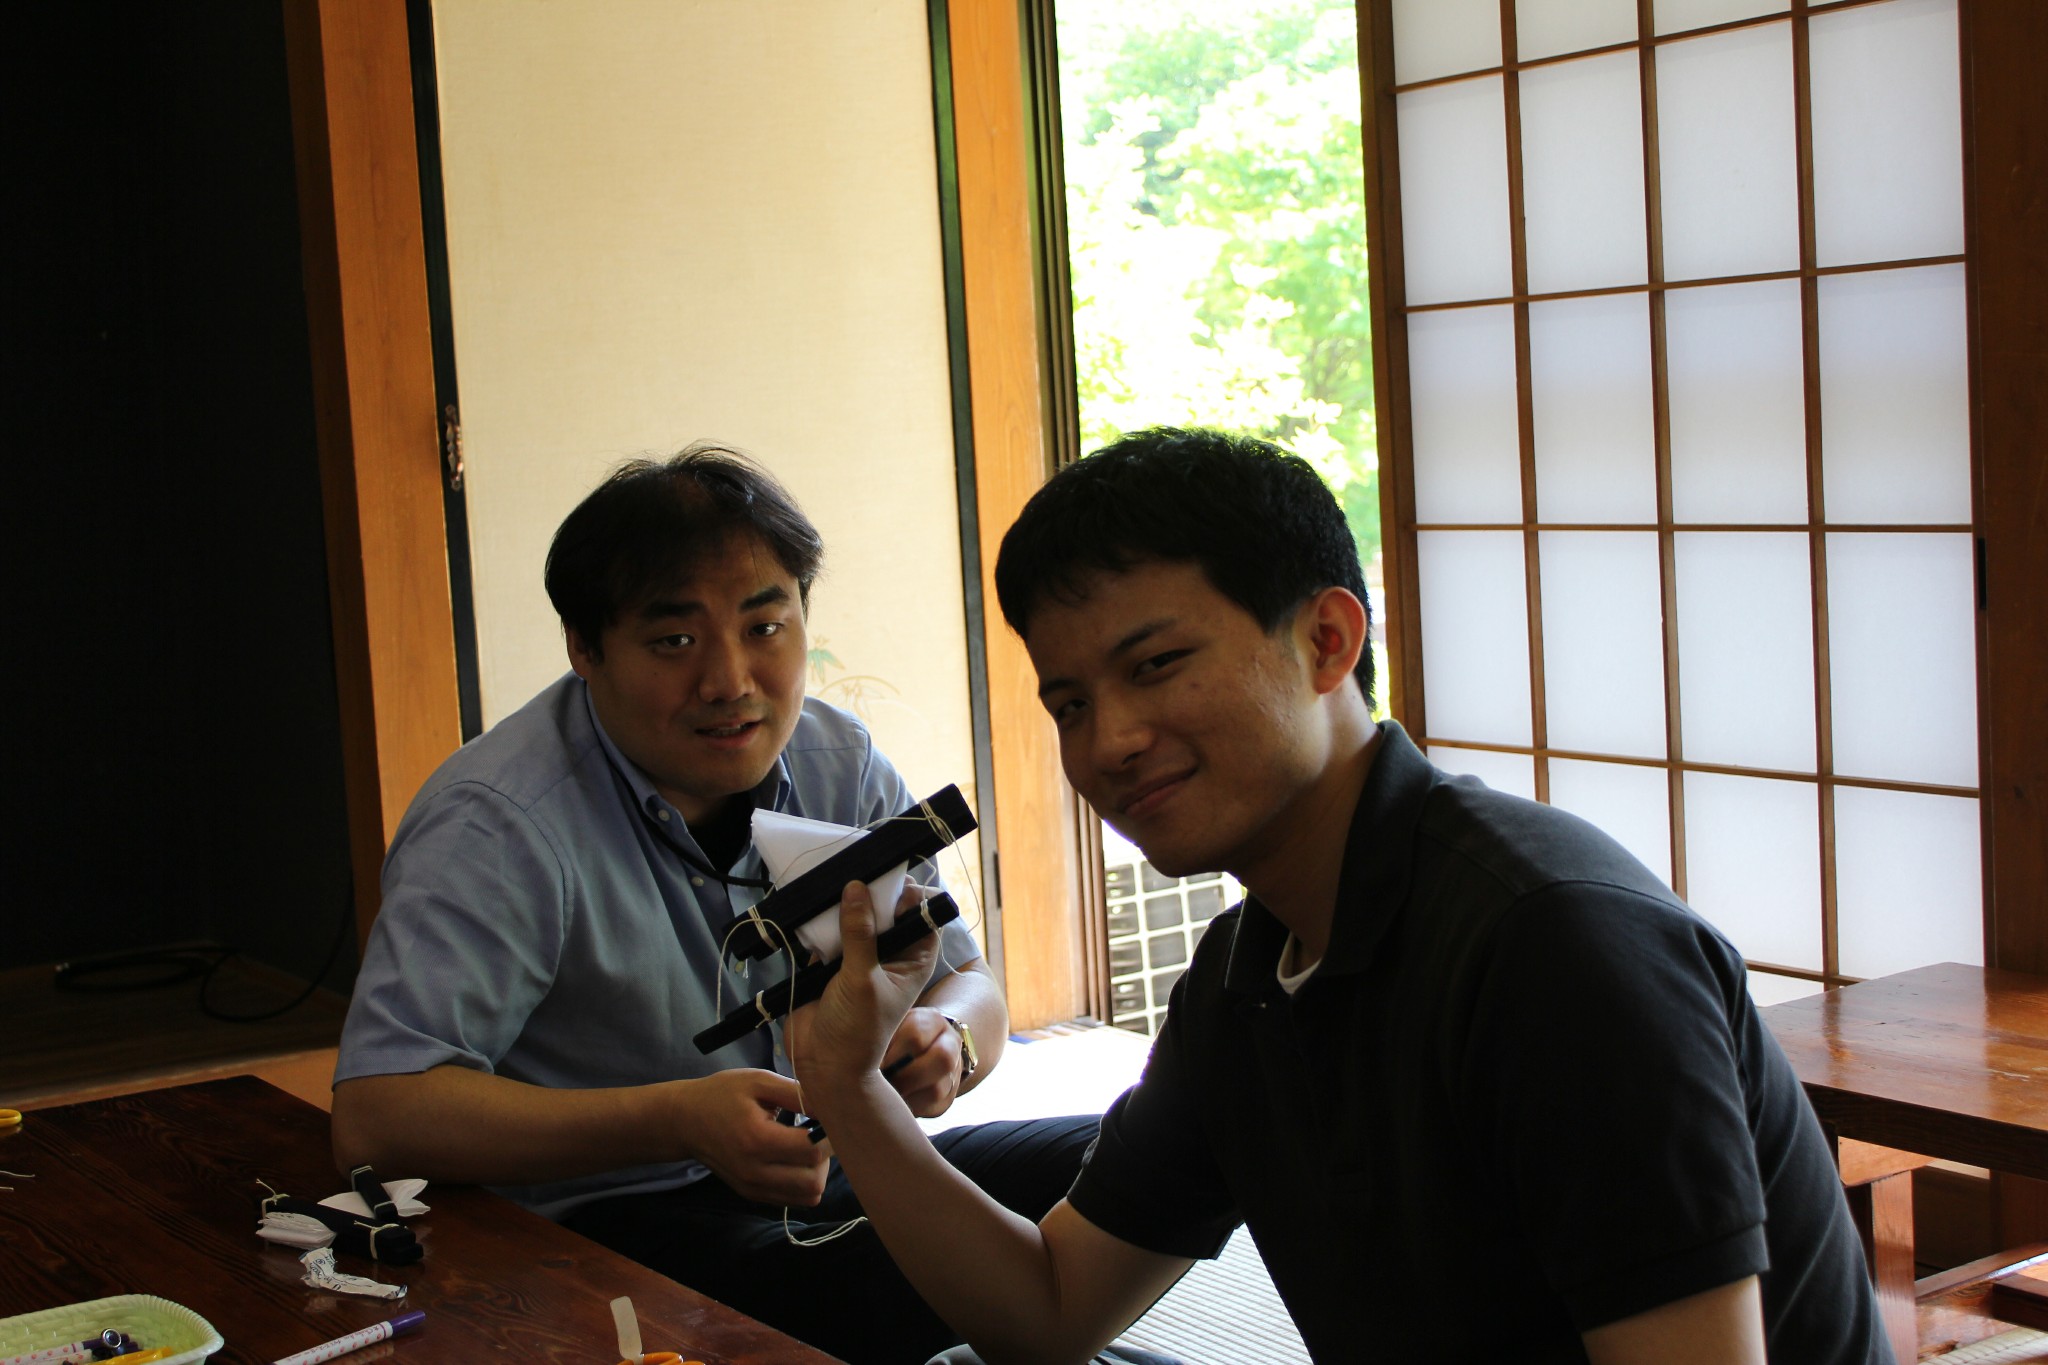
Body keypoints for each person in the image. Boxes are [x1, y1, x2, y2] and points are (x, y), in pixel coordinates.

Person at [789, 427, 1891, 1365]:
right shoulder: (1244, 976)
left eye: (1156, 664)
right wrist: (846, 1084)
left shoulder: (1551, 943)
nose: (1110, 739)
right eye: (1069, 703)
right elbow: (1051, 1309)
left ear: (1327, 640)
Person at [331, 445, 1100, 1365]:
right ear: (585, 648)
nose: (731, 680)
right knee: (920, 1280)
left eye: (765, 626)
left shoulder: (837, 760)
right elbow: (379, 1115)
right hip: (611, 1219)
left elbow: (966, 978)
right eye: (674, 641)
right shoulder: (499, 824)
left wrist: (952, 1040)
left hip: (836, 1167)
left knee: (1129, 1159)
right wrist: (679, 1118)